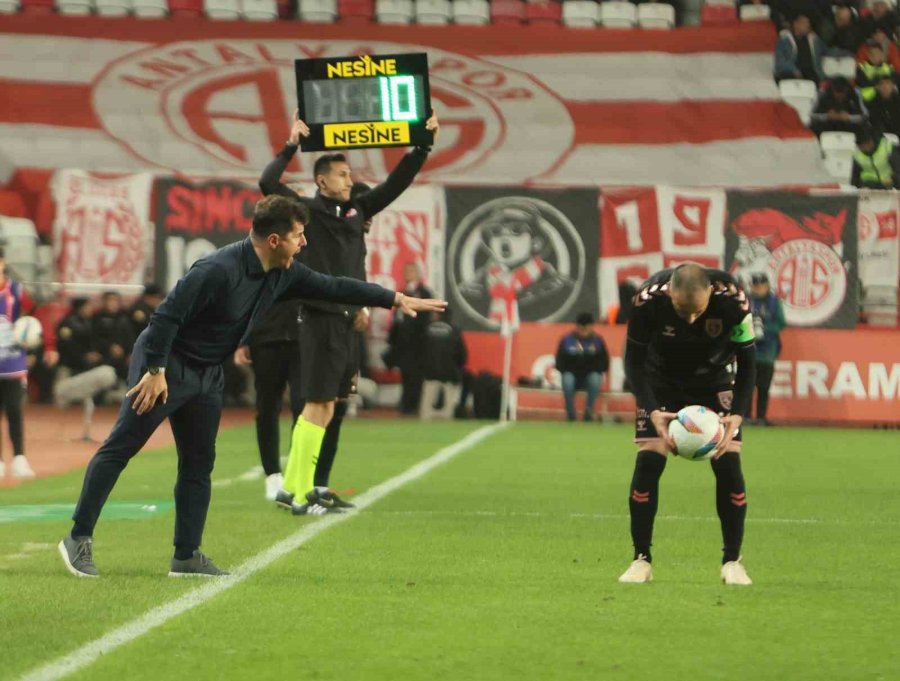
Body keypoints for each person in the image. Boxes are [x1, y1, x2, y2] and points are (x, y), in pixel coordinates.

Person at [58, 195, 446, 578]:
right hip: (165, 365)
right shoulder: (216, 269)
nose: (305, 243)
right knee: (121, 448)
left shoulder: (285, 271)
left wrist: (393, 298)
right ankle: (78, 537)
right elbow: (165, 318)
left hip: (208, 372)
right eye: (299, 235)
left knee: (198, 464)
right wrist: (156, 369)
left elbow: (334, 286)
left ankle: (186, 555)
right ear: (274, 241)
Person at [259, 110, 439, 516]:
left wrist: (421, 147)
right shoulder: (306, 211)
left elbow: (397, 183)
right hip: (320, 317)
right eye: (341, 173)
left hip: (349, 321)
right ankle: (297, 487)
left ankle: (309, 486)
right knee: (317, 403)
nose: (349, 178)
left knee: (333, 405)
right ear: (322, 181)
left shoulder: (359, 210)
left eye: (348, 173)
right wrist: (291, 145)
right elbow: (268, 183)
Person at [619, 264, 756, 586]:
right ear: (670, 295)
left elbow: (748, 359)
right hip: (661, 381)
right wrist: (651, 409)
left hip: (716, 379)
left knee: (728, 461)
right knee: (649, 460)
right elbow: (632, 362)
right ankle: (641, 559)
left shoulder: (734, 301)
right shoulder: (647, 301)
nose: (691, 319)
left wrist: (737, 413)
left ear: (710, 293)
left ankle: (732, 561)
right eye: (682, 311)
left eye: (697, 312)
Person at [234, 299, 303, 501]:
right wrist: (243, 340)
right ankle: (272, 474)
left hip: (302, 335)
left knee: (303, 407)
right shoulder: (256, 266)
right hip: (266, 338)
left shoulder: (305, 266)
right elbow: (248, 295)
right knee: (267, 407)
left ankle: (297, 472)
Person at [0, 250, 36, 479]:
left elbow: (32, 321)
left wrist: (38, 341)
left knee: (14, 409)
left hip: (12, 362)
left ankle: (20, 458)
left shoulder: (16, 291)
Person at [388, 262, 434, 415]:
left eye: (411, 271)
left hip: (418, 343)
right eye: (406, 271)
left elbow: (427, 317)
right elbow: (397, 319)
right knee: (405, 374)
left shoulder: (425, 293)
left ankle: (414, 405)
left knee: (416, 375)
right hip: (402, 344)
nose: (408, 274)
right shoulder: (401, 293)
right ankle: (405, 404)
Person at [555, 312, 610, 422]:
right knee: (567, 380)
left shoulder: (598, 341)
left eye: (586, 327)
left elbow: (604, 363)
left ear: (591, 326)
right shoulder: (567, 340)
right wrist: (576, 361)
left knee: (595, 378)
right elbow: (559, 362)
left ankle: (588, 413)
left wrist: (589, 362)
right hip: (572, 375)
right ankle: (571, 414)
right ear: (577, 326)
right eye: (581, 327)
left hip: (589, 376)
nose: (584, 330)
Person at [747, 273, 785, 426]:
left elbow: (781, 323)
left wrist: (765, 328)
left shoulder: (774, 303)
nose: (759, 289)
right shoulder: (747, 301)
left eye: (761, 286)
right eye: (756, 286)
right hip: (749, 350)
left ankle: (761, 417)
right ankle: (746, 416)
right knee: (747, 386)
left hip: (767, 351)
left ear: (767, 286)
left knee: (764, 386)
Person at [419, 310, 468, 420]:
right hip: (450, 372)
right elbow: (462, 353)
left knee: (427, 403)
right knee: (449, 405)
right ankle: (447, 422)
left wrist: (423, 367)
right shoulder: (455, 331)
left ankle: (424, 422)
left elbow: (420, 350)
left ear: (438, 315)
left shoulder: (427, 329)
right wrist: (458, 368)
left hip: (430, 372)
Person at [93, 292, 134, 382]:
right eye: (109, 300)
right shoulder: (97, 318)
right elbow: (95, 338)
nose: (112, 303)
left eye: (115, 300)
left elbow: (130, 337)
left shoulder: (124, 318)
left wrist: (130, 353)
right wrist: (110, 347)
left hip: (123, 357)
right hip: (104, 356)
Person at [774, 15, 826, 83]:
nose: (807, 25)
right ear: (796, 24)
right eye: (804, 23)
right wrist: (794, 70)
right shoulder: (785, 40)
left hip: (812, 75)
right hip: (792, 75)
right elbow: (780, 62)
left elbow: (826, 51)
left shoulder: (813, 40)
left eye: (808, 23)